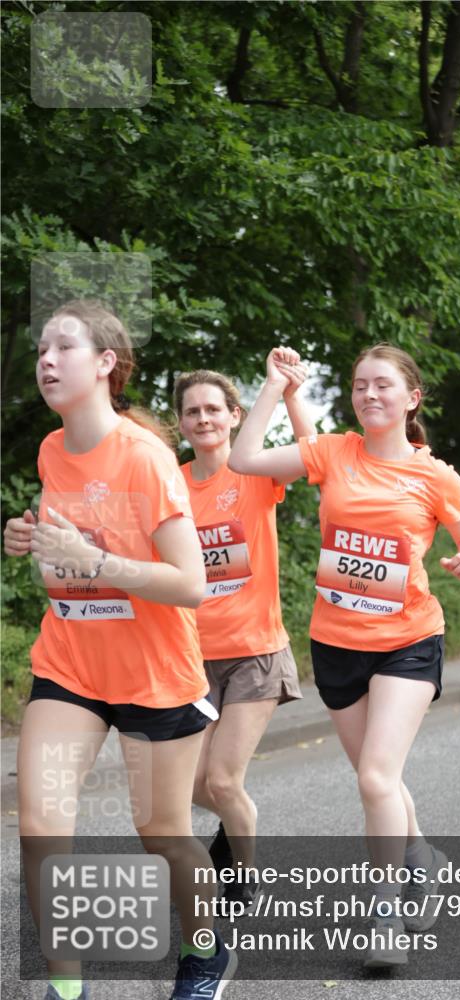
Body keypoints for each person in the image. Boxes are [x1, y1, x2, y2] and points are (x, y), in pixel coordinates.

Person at [3, 299, 235, 1000]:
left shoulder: (145, 458)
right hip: (70, 664)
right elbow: (69, 549)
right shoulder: (51, 449)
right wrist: (30, 541)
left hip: (153, 675)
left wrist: (90, 559)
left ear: (105, 363)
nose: (46, 360)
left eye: (63, 347)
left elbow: (191, 585)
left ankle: (206, 951)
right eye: (41, 349)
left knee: (162, 834)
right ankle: (65, 988)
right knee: (41, 825)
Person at [228, 342, 460, 968]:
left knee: (375, 776)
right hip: (337, 644)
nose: (370, 395)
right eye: (360, 385)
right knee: (382, 780)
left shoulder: (434, 474)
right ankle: (424, 858)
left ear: (411, 398)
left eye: (383, 386)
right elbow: (243, 458)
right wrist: (273, 387)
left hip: (408, 641)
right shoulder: (332, 452)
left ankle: (385, 915)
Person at [173, 352, 312, 908]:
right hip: (189, 657)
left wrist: (285, 392)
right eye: (191, 412)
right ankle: (235, 831)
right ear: (181, 423)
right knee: (191, 785)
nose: (203, 418)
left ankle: (243, 874)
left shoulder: (254, 470)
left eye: (213, 409)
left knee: (223, 782)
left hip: (255, 652)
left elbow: (312, 456)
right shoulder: (172, 482)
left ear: (233, 415)